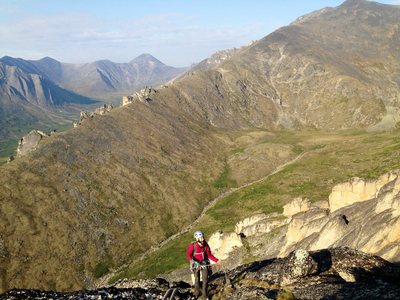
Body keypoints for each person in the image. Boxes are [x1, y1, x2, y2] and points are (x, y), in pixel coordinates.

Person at [187, 230, 222, 299]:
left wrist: (217, 260)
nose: (202, 238)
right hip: (196, 265)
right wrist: (193, 261)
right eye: (200, 238)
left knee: (205, 280)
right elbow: (188, 255)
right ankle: (197, 293)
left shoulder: (205, 245)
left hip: (204, 263)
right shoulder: (192, 246)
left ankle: (204, 295)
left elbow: (209, 255)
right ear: (197, 239)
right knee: (197, 280)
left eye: (202, 237)